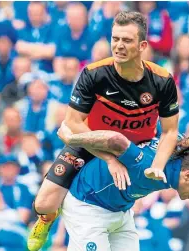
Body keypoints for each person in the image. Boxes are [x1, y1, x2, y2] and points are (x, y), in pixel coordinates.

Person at [27, 11, 179, 251]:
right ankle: (47, 219)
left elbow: (170, 131)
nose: (118, 46)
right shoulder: (94, 74)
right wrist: (108, 159)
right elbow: (73, 123)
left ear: (142, 46)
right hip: (89, 141)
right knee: (44, 203)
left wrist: (158, 165)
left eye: (127, 40)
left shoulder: (162, 80)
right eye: (115, 38)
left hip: (134, 148)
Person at [58, 122, 189, 251]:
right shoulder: (148, 167)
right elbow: (116, 140)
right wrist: (71, 139)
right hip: (88, 204)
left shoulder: (177, 149)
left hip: (120, 212)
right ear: (188, 175)